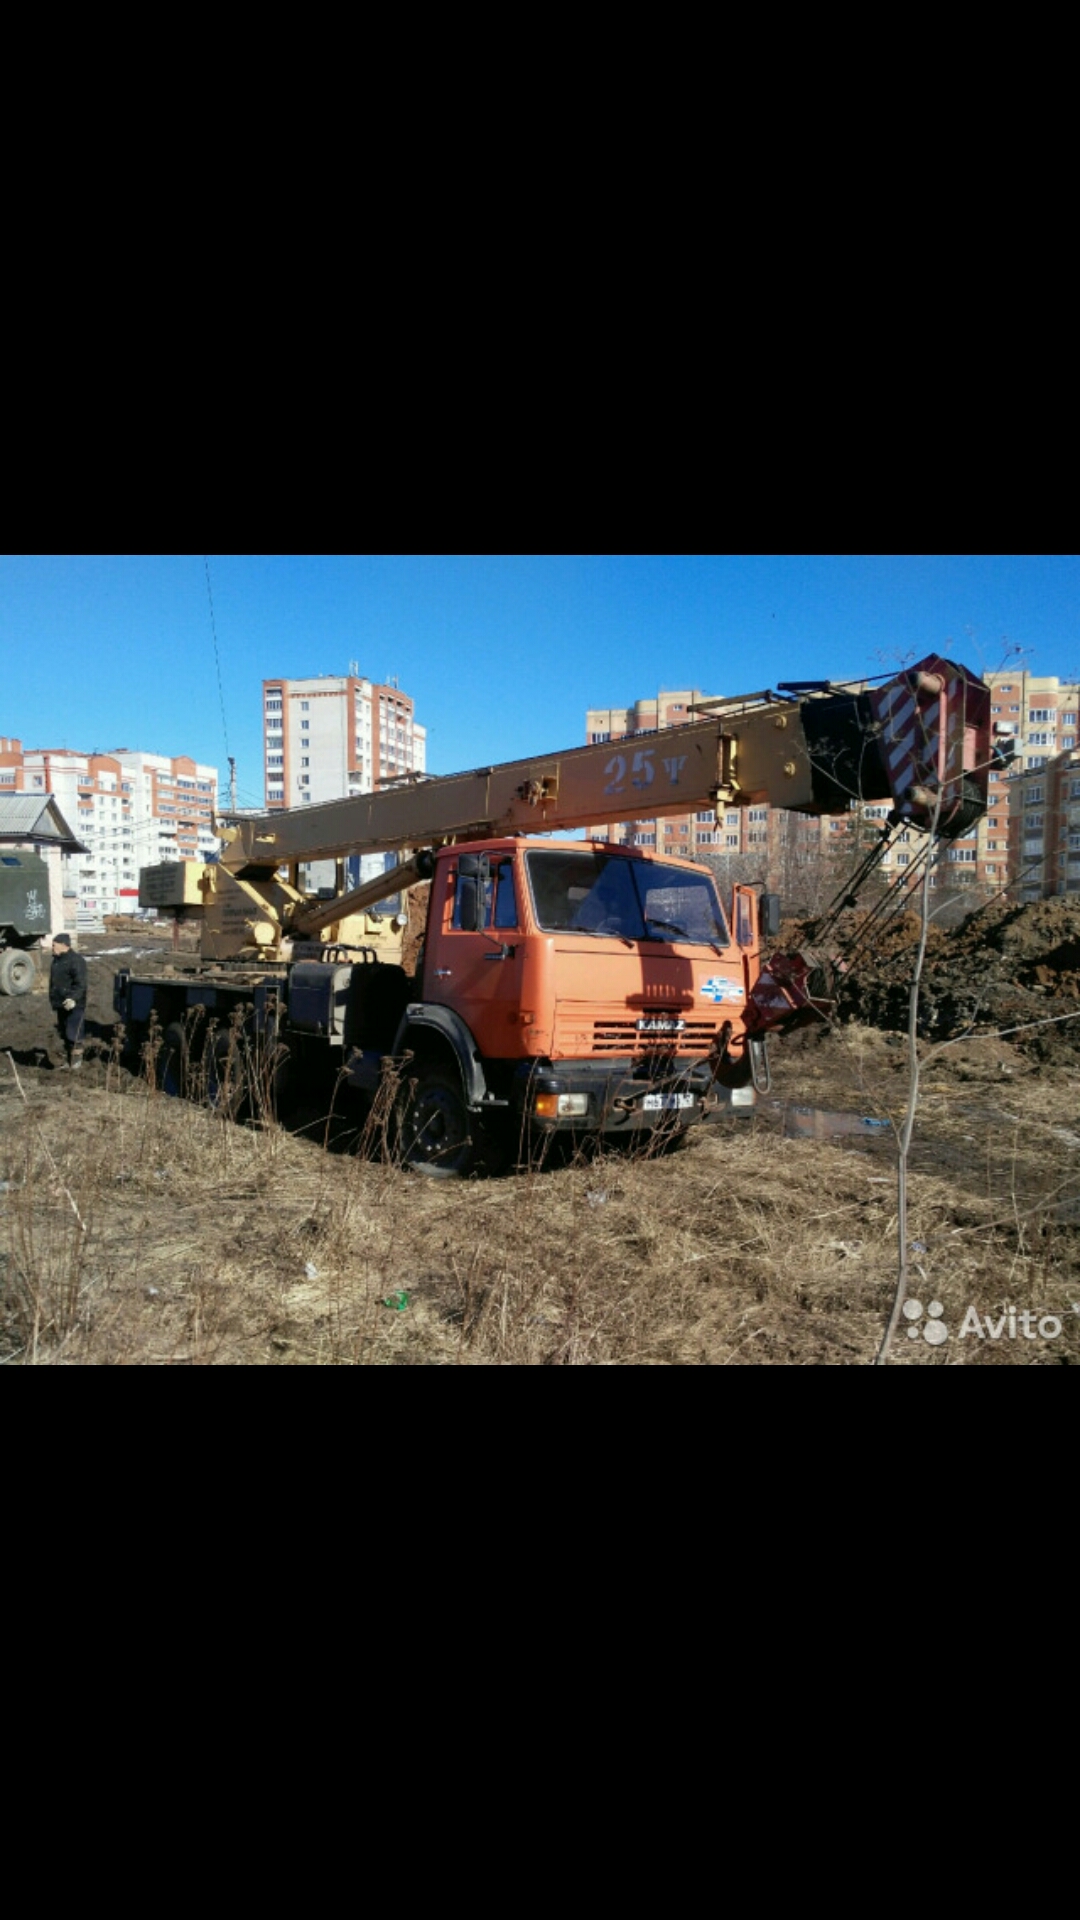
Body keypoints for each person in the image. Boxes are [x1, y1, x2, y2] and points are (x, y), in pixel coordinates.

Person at [48, 932, 88, 1069]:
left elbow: (81, 984)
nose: (52, 948)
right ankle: (67, 1062)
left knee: (74, 1033)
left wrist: (73, 998)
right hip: (61, 1004)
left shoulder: (76, 961)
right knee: (64, 1033)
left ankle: (76, 1063)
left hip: (74, 1005)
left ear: (64, 945)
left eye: (54, 945)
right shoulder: (57, 960)